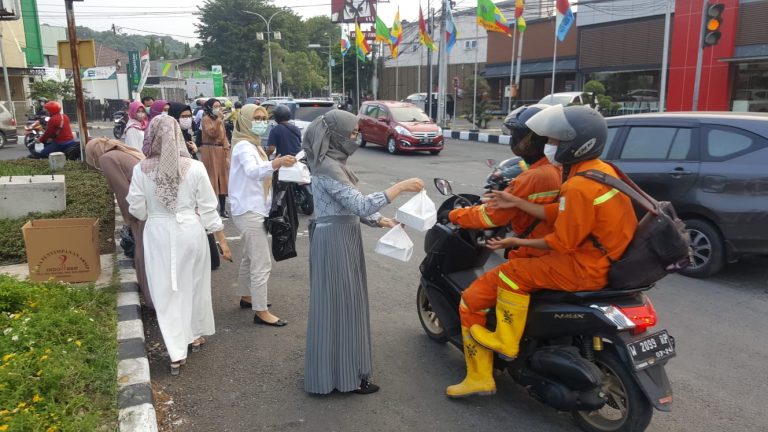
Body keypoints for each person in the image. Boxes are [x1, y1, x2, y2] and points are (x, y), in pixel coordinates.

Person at [452, 105, 638, 397]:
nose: (550, 147)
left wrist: (515, 243)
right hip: (607, 261)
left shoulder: (576, 185)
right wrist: (519, 205)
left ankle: (491, 360)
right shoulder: (601, 172)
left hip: (581, 267)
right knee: (515, 271)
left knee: (491, 287)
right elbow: (562, 213)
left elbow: (561, 243)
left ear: (576, 145)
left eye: (556, 142)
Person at [302, 110, 424, 395]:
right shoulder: (328, 166)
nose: (355, 138)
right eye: (352, 133)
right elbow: (359, 205)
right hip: (335, 240)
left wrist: (381, 221)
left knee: (344, 305)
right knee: (341, 306)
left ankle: (341, 372)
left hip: (341, 235)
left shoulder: (332, 163)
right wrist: (401, 187)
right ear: (335, 136)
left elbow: (348, 207)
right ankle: (343, 378)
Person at [444, 104, 562, 398]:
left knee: (471, 301)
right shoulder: (560, 170)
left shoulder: (534, 177)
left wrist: (455, 215)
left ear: (531, 139)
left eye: (517, 135)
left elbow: (490, 218)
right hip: (559, 251)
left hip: (536, 256)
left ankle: (479, 376)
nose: (514, 141)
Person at [126, 115, 232, 375]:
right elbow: (209, 208)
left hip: (158, 232)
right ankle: (195, 335)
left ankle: (176, 351)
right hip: (190, 230)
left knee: (165, 290)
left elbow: (137, 209)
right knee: (193, 284)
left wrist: (155, 209)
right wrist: (223, 243)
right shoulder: (194, 167)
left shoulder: (141, 168)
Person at [229, 104, 297, 325]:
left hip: (253, 207)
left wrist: (277, 164)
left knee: (250, 256)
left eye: (263, 118)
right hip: (249, 210)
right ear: (246, 121)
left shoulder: (253, 145)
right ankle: (260, 311)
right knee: (261, 262)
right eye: (256, 118)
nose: (261, 122)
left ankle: (247, 296)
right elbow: (253, 172)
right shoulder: (244, 147)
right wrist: (276, 163)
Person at [85, 137, 152, 309]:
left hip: (141, 210)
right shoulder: (123, 153)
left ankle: (151, 298)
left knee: (143, 252)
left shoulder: (107, 159)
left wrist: (129, 219)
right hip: (152, 205)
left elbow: (123, 192)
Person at [199, 98, 231, 217]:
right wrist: (218, 120)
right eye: (215, 106)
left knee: (222, 181)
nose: (218, 108)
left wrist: (227, 154)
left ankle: (222, 209)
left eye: (219, 106)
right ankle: (211, 209)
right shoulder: (206, 119)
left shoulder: (220, 120)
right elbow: (212, 133)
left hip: (220, 151)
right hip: (209, 150)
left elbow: (224, 138)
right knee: (211, 180)